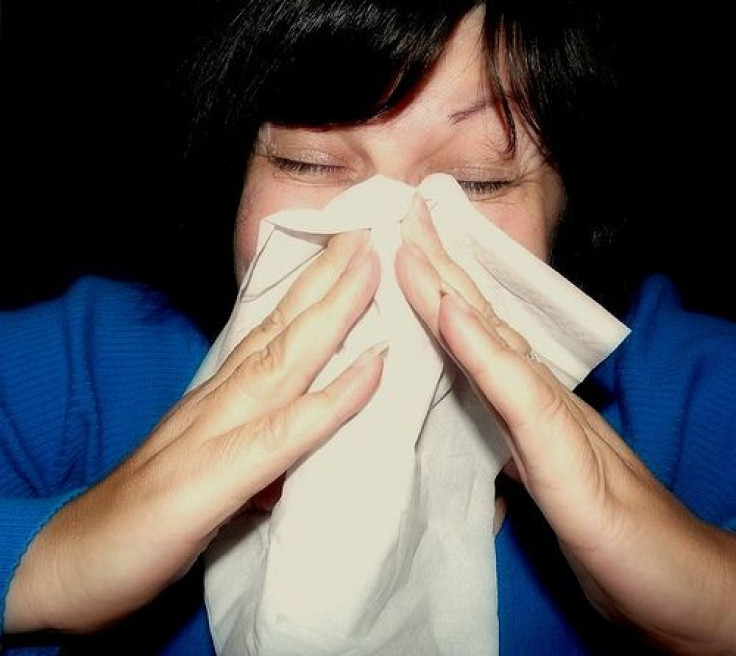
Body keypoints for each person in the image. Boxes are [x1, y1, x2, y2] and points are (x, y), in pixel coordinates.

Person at [2, 1, 735, 655]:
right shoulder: (88, 365)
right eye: (310, 162)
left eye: (479, 180)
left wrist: (709, 605)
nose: (386, 233)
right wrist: (47, 566)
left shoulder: (680, 391)